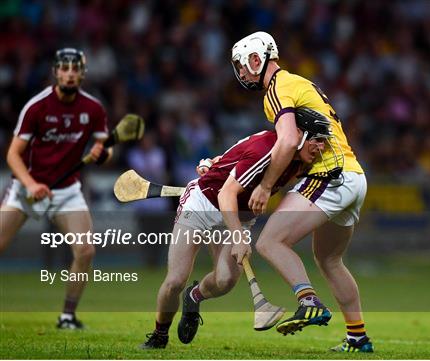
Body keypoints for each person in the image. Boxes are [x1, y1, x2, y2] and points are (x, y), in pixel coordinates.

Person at [230, 31, 373, 353]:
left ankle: (309, 301)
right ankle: (358, 337)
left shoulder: (276, 89)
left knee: (269, 241)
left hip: (330, 175)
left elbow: (288, 141)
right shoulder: (297, 82)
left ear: (256, 59)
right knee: (330, 258)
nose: (240, 74)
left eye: (241, 65)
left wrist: (266, 186)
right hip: (354, 176)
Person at [140, 109, 328, 349]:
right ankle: (159, 335)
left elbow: (237, 154)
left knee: (226, 280)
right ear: (298, 133)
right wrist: (238, 236)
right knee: (176, 279)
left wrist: (215, 161)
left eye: (323, 141)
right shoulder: (266, 150)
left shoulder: (300, 158)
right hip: (203, 204)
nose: (320, 147)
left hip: (238, 214)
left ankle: (194, 296)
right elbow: (226, 193)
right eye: (317, 140)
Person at [0, 48, 110, 329]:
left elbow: (104, 151)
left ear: (82, 73)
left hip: (67, 190)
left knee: (85, 251)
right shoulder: (37, 106)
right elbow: (12, 154)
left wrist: (102, 154)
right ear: (55, 72)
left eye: (75, 69)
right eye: (65, 68)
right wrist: (31, 184)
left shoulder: (93, 109)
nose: (70, 74)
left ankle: (67, 316)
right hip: (27, 188)